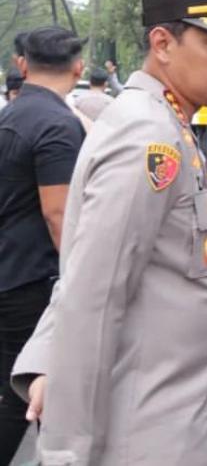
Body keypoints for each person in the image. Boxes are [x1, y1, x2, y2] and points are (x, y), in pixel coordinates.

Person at [10, 0, 207, 466]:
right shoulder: (147, 138)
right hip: (152, 434)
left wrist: (45, 357)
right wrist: (67, 451)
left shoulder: (167, 120)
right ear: (162, 44)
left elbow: (86, 274)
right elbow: (95, 293)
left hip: (175, 416)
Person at [0, 27, 86, 464]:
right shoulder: (57, 124)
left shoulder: (13, 115)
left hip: (10, 270)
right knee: (28, 393)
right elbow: (60, 215)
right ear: (78, 67)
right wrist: (79, 284)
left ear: (22, 65)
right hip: (33, 280)